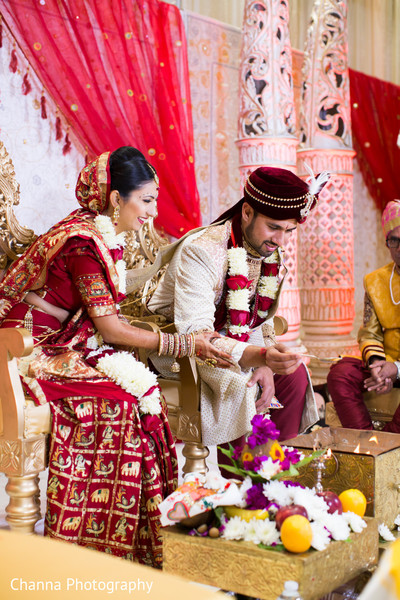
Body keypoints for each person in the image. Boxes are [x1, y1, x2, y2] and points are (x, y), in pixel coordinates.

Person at [0, 146, 229, 567]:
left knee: (148, 399)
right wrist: (185, 344)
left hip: (64, 345)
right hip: (27, 351)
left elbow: (109, 320)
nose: (153, 212)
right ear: (114, 199)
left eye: (155, 200)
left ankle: (147, 541)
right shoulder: (82, 242)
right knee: (121, 403)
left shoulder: (99, 235)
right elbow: (109, 328)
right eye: (146, 199)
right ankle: (86, 548)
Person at [148, 166, 328, 470]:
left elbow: (257, 317)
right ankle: (244, 491)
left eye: (290, 231)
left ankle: (280, 479)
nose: (281, 241)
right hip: (180, 349)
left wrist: (266, 362)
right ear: (246, 212)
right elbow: (197, 334)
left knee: (294, 377)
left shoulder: (267, 251)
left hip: (235, 347)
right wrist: (257, 357)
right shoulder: (202, 251)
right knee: (241, 382)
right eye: (274, 227)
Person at [327, 199, 400, 433]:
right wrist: (378, 365)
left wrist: (396, 369)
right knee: (340, 374)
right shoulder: (376, 281)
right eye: (394, 241)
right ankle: (366, 444)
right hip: (386, 363)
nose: (399, 248)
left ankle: (388, 450)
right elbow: (369, 332)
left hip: (396, 367)